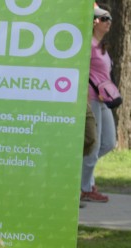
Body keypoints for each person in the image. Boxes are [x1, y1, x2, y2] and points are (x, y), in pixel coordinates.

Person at [81, 5, 116, 203]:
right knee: (93, 146)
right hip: (92, 99)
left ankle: (84, 178)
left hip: (105, 100)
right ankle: (86, 187)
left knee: (109, 143)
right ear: (94, 22)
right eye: (105, 18)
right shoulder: (88, 45)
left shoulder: (102, 47)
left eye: (109, 18)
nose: (109, 21)